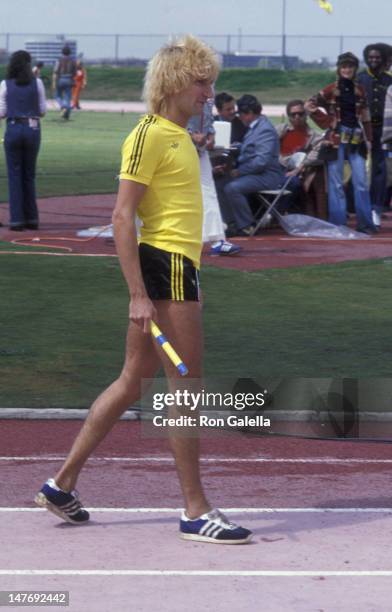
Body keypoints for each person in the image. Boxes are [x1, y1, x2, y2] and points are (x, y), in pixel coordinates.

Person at [35, 35, 252, 545]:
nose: (209, 91)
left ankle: (60, 484)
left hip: (173, 269)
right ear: (177, 82)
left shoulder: (175, 134)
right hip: (167, 270)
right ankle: (196, 510)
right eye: (202, 82)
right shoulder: (149, 134)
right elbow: (120, 216)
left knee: (133, 381)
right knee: (185, 391)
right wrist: (138, 293)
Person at [305, 52, 377, 235]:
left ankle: (365, 223)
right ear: (339, 68)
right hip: (336, 140)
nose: (347, 70)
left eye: (350, 67)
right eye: (344, 66)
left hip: (357, 140)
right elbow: (309, 105)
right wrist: (328, 121)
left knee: (360, 182)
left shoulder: (360, 90)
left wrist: (369, 139)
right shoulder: (330, 89)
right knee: (336, 183)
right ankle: (338, 223)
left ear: (354, 69)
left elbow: (366, 117)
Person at [216, 94, 284, 237]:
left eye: (240, 114)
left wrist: (240, 171)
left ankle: (247, 225)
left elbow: (261, 162)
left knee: (232, 187)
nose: (238, 117)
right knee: (220, 182)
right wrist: (237, 147)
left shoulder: (264, 129)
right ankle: (231, 222)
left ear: (250, 113)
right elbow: (253, 147)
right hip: (258, 173)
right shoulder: (256, 127)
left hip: (268, 176)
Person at [187, 100, 241, 256]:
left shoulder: (208, 88)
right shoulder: (180, 84)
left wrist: (210, 134)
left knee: (208, 191)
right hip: (177, 144)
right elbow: (170, 113)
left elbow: (208, 114)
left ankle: (217, 239)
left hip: (199, 147)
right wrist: (190, 135)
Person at [0, 50, 46, 230]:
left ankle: (17, 219)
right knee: (29, 175)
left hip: (13, 128)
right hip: (33, 128)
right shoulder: (38, 83)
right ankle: (32, 219)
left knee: (14, 175)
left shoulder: (5, 84)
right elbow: (42, 110)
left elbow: (1, 112)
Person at [357, 44, 392, 226]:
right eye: (371, 57)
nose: (374, 60)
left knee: (380, 170)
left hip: (382, 132)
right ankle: (358, 208)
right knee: (360, 170)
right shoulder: (360, 79)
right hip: (362, 130)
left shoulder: (389, 80)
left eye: (377, 57)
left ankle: (376, 209)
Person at [276, 99, 327, 219]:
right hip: (274, 168)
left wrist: (300, 168)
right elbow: (266, 145)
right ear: (289, 117)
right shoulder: (280, 130)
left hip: (294, 172)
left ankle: (275, 213)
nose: (297, 117)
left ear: (306, 116)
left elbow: (319, 153)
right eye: (293, 114)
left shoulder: (313, 136)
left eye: (300, 113)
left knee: (293, 183)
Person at [52, 45, 76, 120]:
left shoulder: (59, 60)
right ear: (69, 52)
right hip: (69, 79)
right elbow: (74, 72)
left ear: (62, 52)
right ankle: (67, 113)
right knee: (68, 97)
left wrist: (54, 82)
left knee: (57, 96)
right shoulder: (73, 60)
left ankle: (62, 106)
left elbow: (55, 71)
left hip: (60, 79)